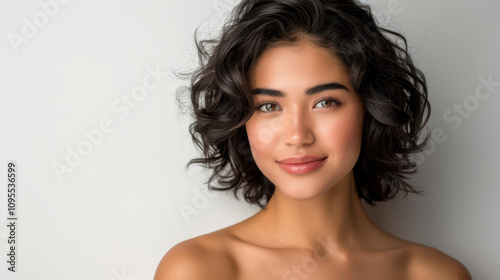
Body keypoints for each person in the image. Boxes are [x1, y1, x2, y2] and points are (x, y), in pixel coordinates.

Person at [154, 0, 472, 279]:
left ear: (370, 109)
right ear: (241, 121)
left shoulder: (436, 274)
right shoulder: (198, 270)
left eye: (325, 102)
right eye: (268, 106)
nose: (297, 136)